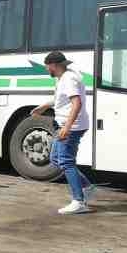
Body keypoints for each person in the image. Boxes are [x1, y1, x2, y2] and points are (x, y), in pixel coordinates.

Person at [31, 51, 95, 215]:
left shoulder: (68, 78)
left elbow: (76, 103)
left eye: (47, 67)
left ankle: (79, 201)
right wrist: (45, 106)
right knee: (54, 158)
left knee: (66, 162)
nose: (47, 70)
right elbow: (63, 99)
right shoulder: (65, 78)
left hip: (70, 127)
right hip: (67, 125)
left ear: (54, 65)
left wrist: (67, 127)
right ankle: (86, 187)